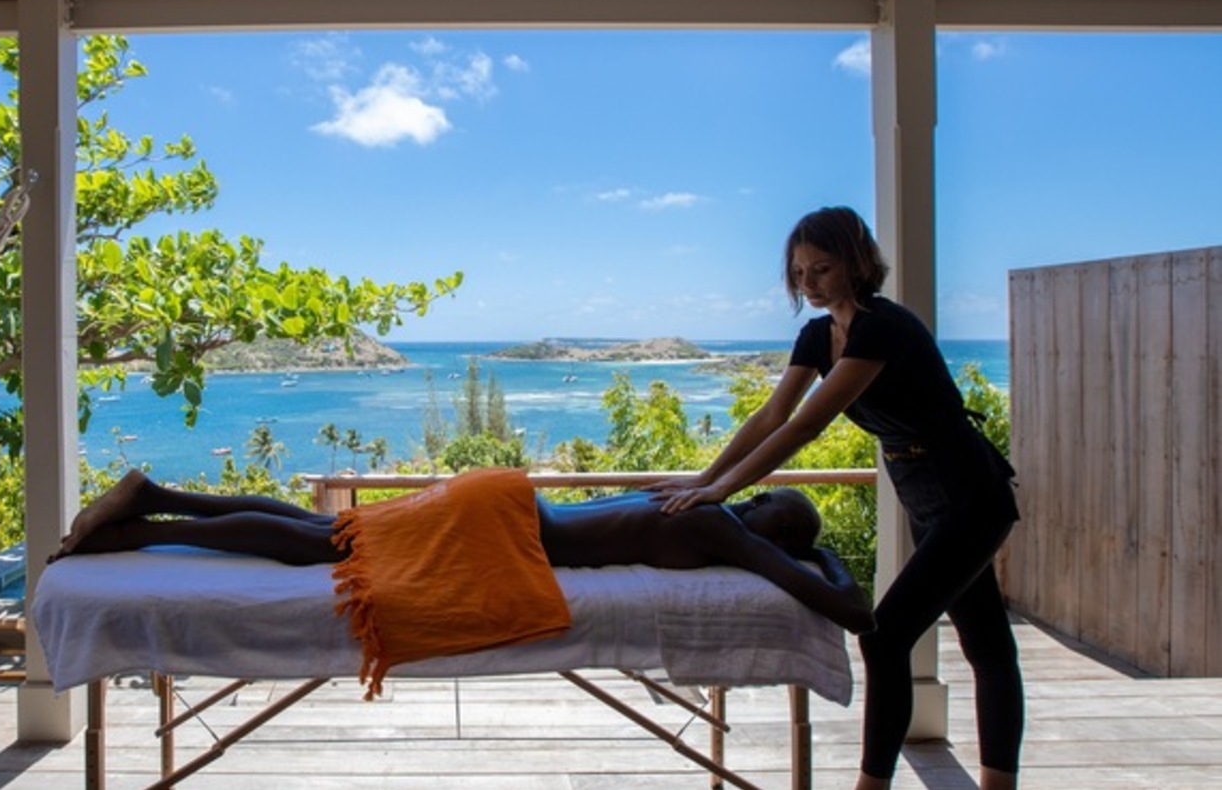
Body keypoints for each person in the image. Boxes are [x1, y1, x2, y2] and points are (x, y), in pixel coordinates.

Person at [650, 206, 1022, 790]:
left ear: (857, 262)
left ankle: (871, 786)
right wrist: (704, 479)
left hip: (971, 493)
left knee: (888, 633)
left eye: (821, 268)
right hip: (922, 494)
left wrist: (725, 489)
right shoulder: (817, 336)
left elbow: (804, 427)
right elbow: (772, 414)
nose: (809, 283)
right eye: (799, 273)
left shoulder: (883, 327)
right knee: (987, 642)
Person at [51, 468, 875, 634]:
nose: (758, 501)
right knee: (326, 547)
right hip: (507, 527)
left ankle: (158, 506)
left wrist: (808, 551)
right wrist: (823, 560)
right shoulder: (717, 527)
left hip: (508, 506)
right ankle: (152, 515)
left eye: (771, 503)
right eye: (769, 500)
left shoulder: (694, 506)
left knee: (327, 537)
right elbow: (849, 607)